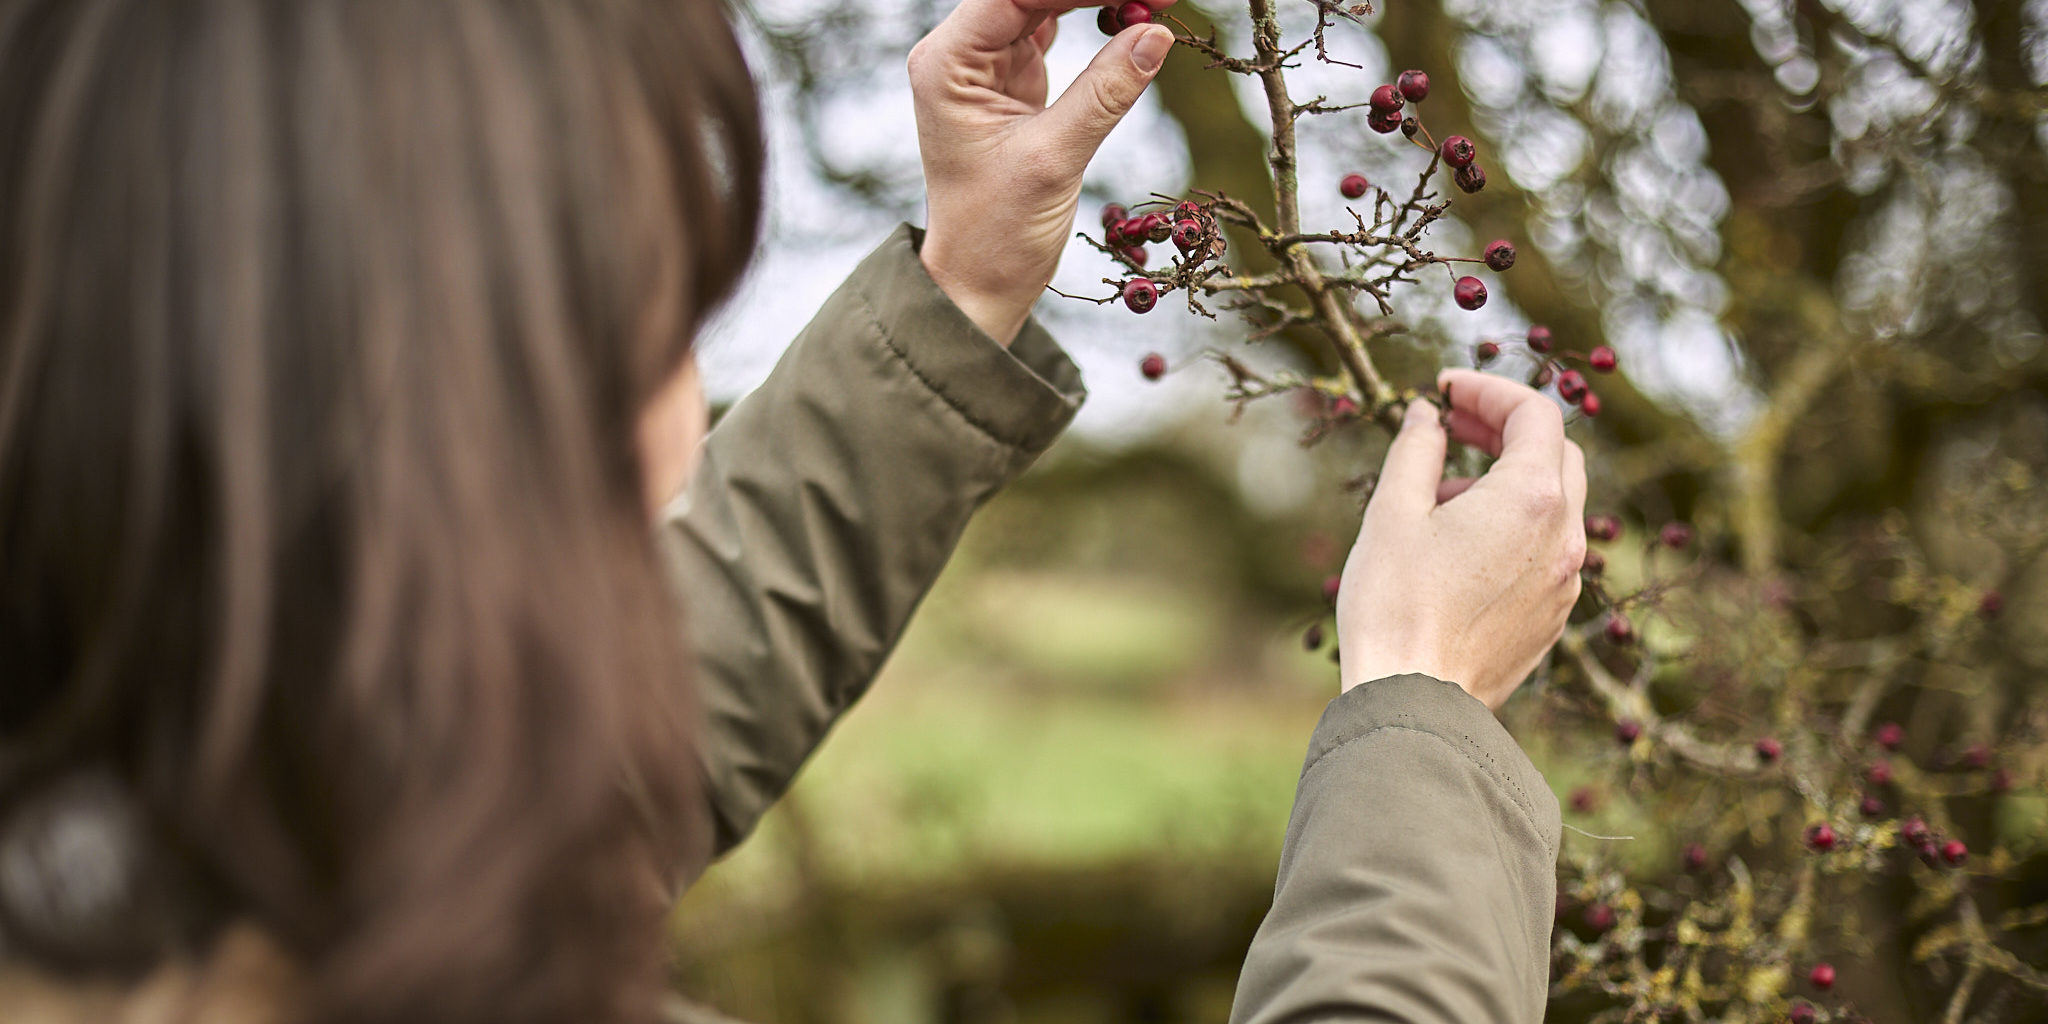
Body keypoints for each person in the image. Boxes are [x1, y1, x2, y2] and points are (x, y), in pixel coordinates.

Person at [0, 0, 1580, 1021]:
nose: (684, 404)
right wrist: (1422, 721)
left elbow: (502, 774)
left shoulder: (163, 867)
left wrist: (960, 290)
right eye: (662, 312)